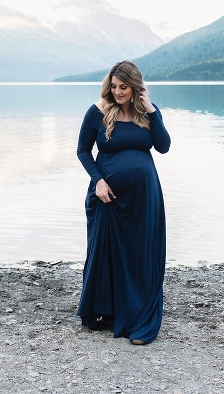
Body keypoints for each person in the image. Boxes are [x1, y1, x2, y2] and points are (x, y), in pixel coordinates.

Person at [75, 60, 171, 345]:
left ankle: (140, 317)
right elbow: (82, 151)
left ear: (136, 88)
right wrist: (99, 181)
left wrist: (152, 110)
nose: (117, 92)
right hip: (108, 198)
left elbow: (164, 146)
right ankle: (109, 310)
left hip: (144, 198)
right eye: (114, 86)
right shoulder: (98, 112)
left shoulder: (148, 114)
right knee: (107, 254)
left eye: (123, 87)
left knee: (140, 254)